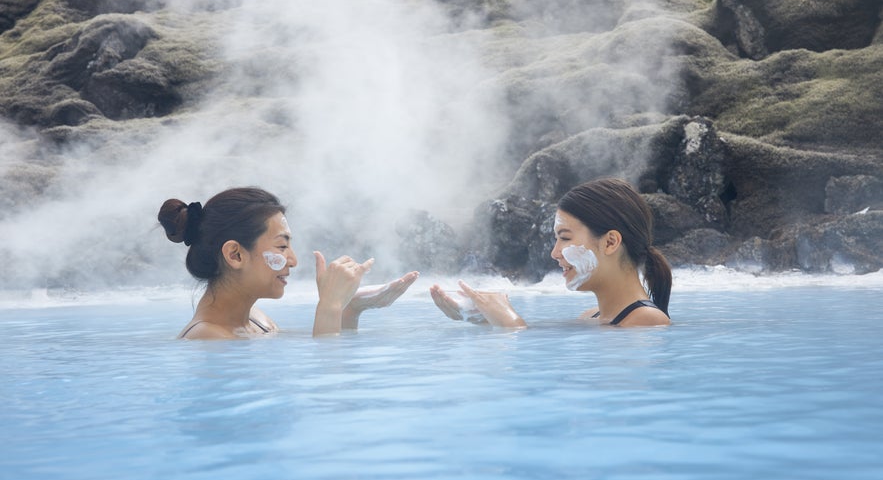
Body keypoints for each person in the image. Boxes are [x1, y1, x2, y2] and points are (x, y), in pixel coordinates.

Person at [157, 187, 418, 339]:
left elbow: (329, 367)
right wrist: (328, 307)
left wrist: (348, 309)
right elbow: (323, 386)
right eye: (282, 246)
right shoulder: (206, 337)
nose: (292, 260)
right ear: (235, 255)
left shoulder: (257, 322)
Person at [430, 177, 671, 328]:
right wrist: (485, 319)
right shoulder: (590, 317)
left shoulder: (647, 319)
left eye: (565, 238)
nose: (555, 253)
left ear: (610, 242)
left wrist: (511, 323)